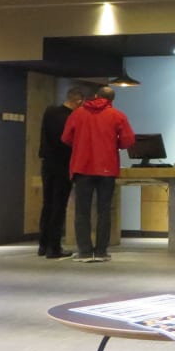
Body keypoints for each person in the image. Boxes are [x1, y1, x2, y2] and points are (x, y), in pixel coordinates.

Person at [61, 85, 135, 262]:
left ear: (95, 96)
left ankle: (85, 251)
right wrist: (113, 144)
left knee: (82, 211)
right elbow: (128, 140)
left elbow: (66, 138)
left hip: (82, 167)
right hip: (107, 168)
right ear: (112, 100)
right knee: (104, 211)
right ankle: (101, 251)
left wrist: (80, 144)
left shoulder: (77, 114)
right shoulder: (117, 115)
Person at [37, 87, 84, 258]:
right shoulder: (73, 118)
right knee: (59, 205)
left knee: (47, 204)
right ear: (78, 101)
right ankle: (54, 248)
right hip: (63, 164)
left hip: (47, 163)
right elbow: (69, 141)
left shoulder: (49, 112)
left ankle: (43, 245)